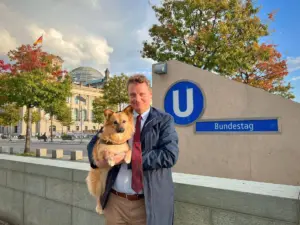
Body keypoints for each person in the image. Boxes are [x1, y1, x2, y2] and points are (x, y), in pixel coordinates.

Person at [87, 74, 179, 225]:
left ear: (150, 94)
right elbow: (93, 143)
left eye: (142, 94)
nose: (137, 98)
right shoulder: (119, 117)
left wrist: (127, 158)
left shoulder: (164, 120)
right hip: (115, 202)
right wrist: (96, 162)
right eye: (132, 94)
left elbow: (169, 155)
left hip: (148, 204)